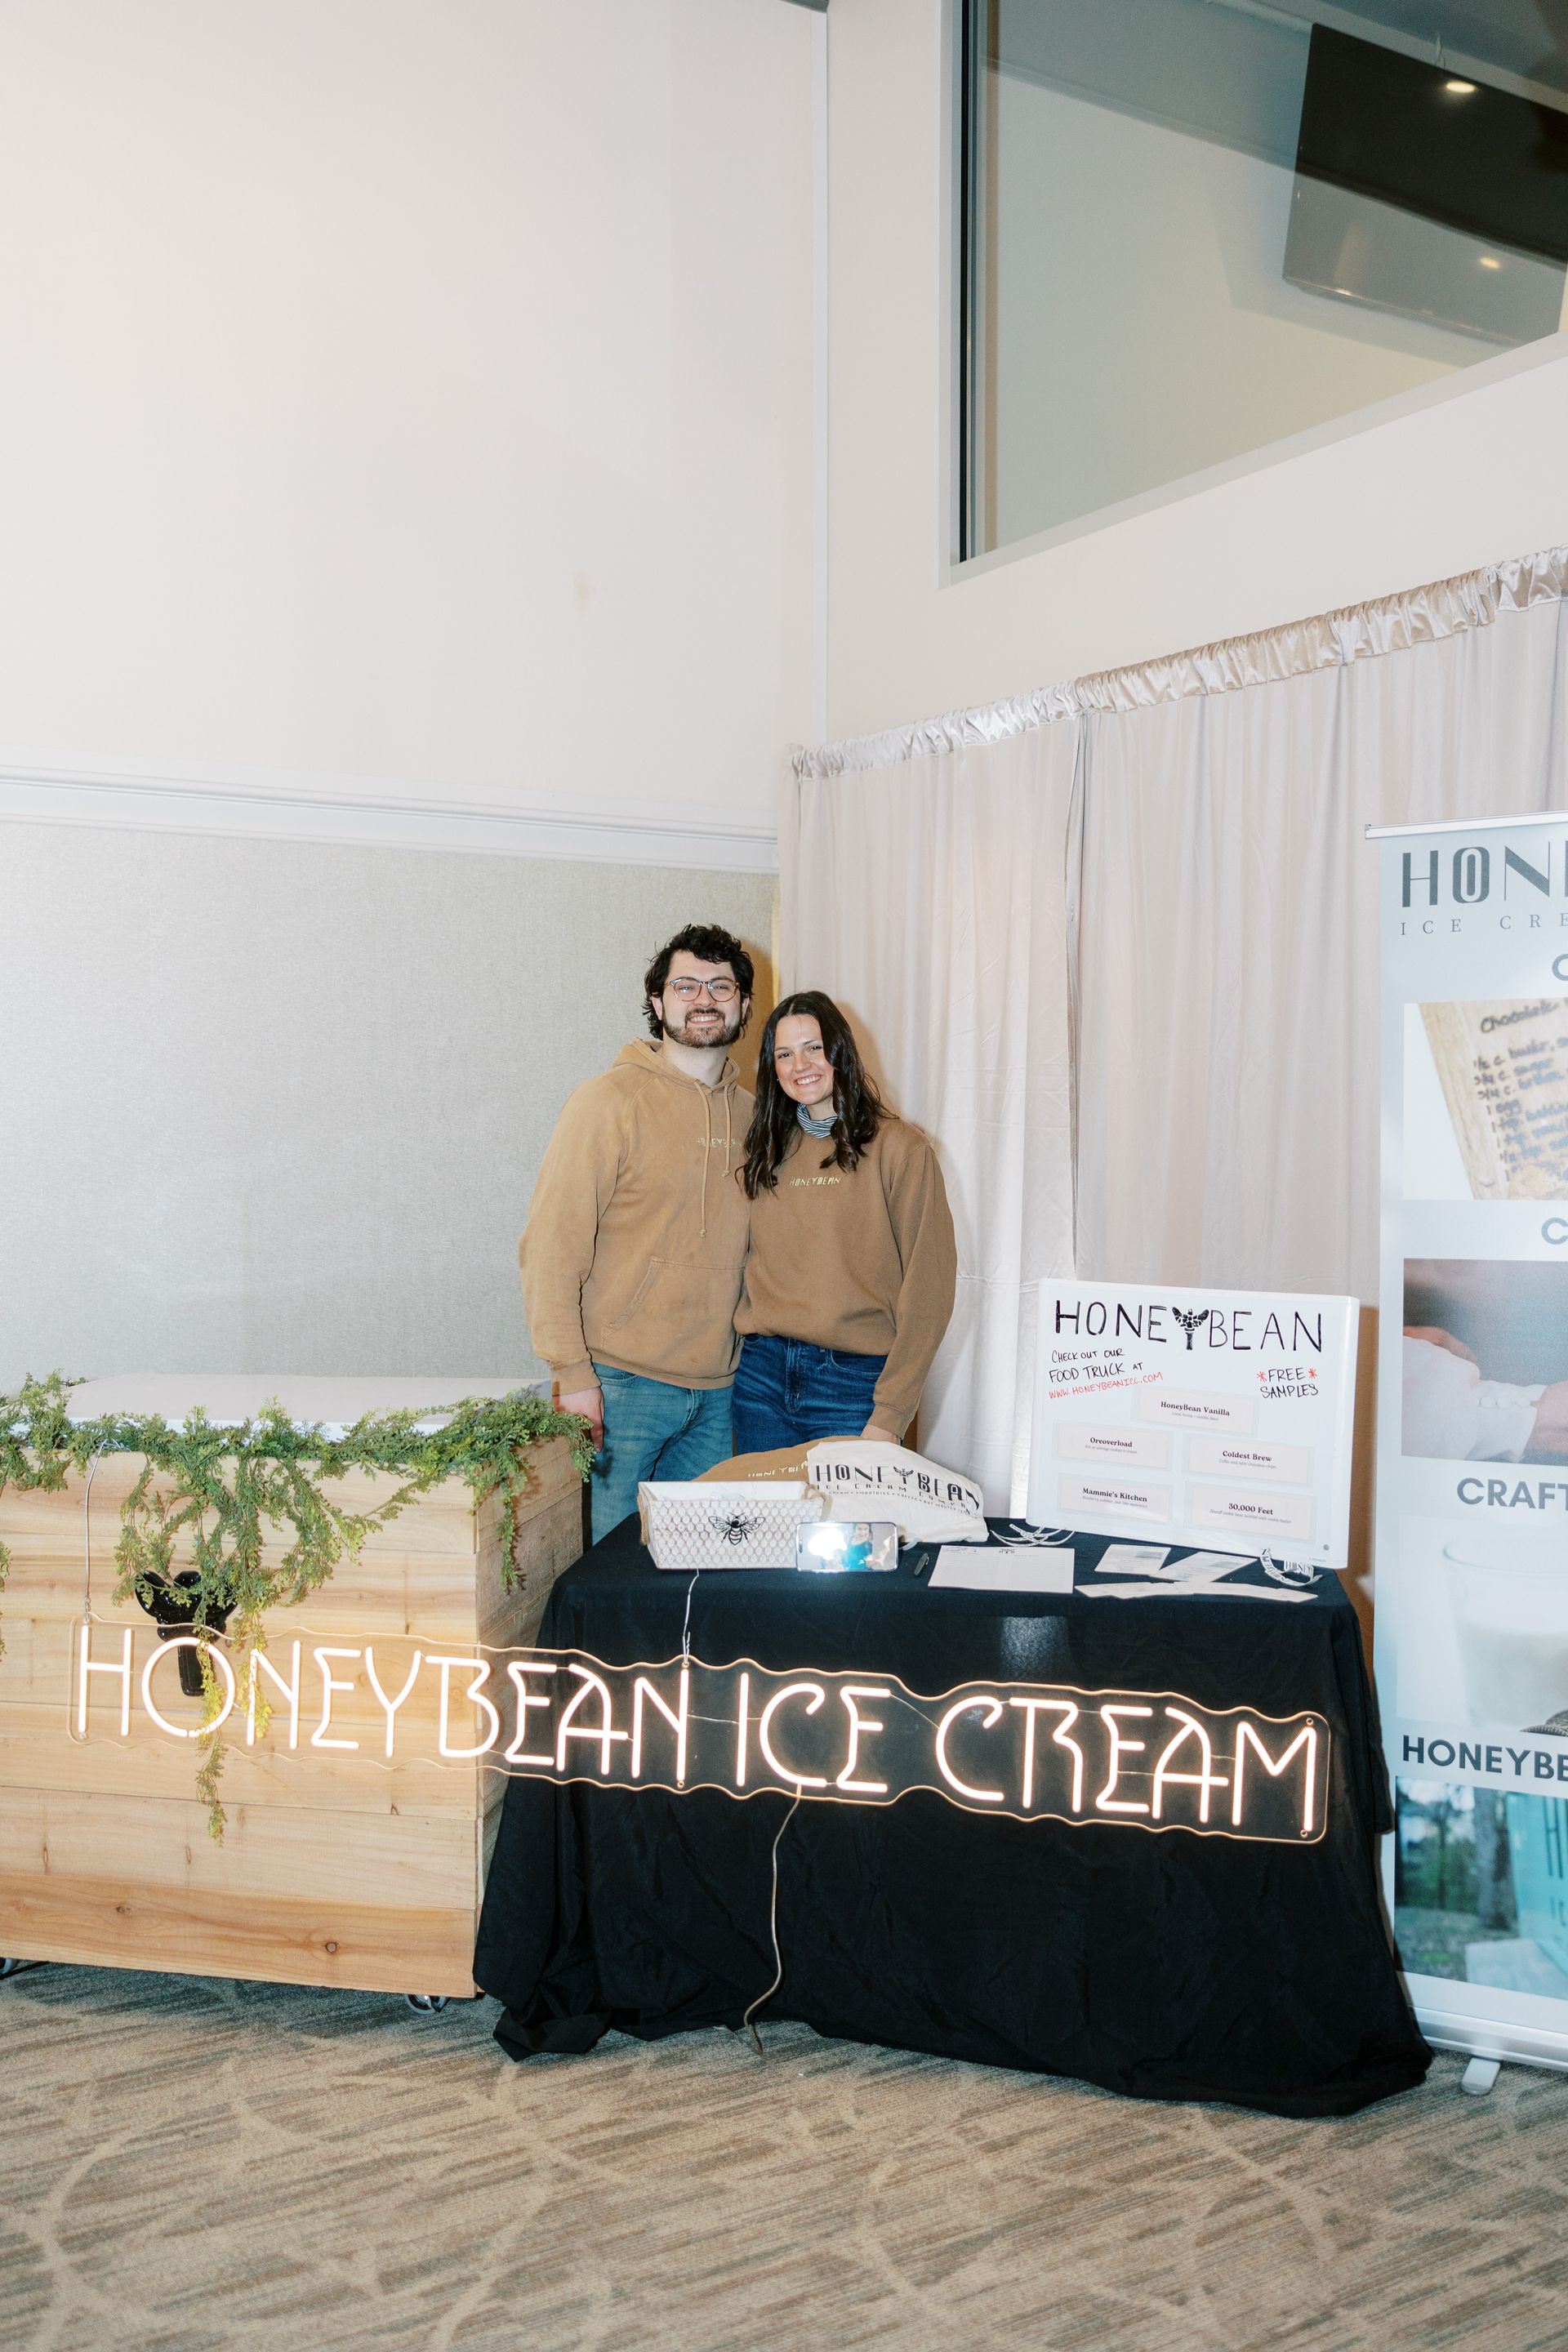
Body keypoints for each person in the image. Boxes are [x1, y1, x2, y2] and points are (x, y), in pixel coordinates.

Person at [520, 924, 754, 1540]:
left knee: (691, 1580)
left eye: (720, 986)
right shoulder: (607, 1100)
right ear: (657, 1003)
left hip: (722, 1390)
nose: (703, 998)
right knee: (608, 1572)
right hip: (621, 1386)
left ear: (743, 1005)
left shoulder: (758, 1117)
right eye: (685, 985)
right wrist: (572, 1375)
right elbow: (551, 1246)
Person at [733, 990, 956, 1452]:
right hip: (761, 1380)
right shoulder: (764, 1150)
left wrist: (891, 1414)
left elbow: (929, 1290)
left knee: (857, 1526)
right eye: (785, 1054)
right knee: (771, 1524)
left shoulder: (901, 1150)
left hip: (854, 1386)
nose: (801, 1066)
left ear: (840, 1051)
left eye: (814, 1048)